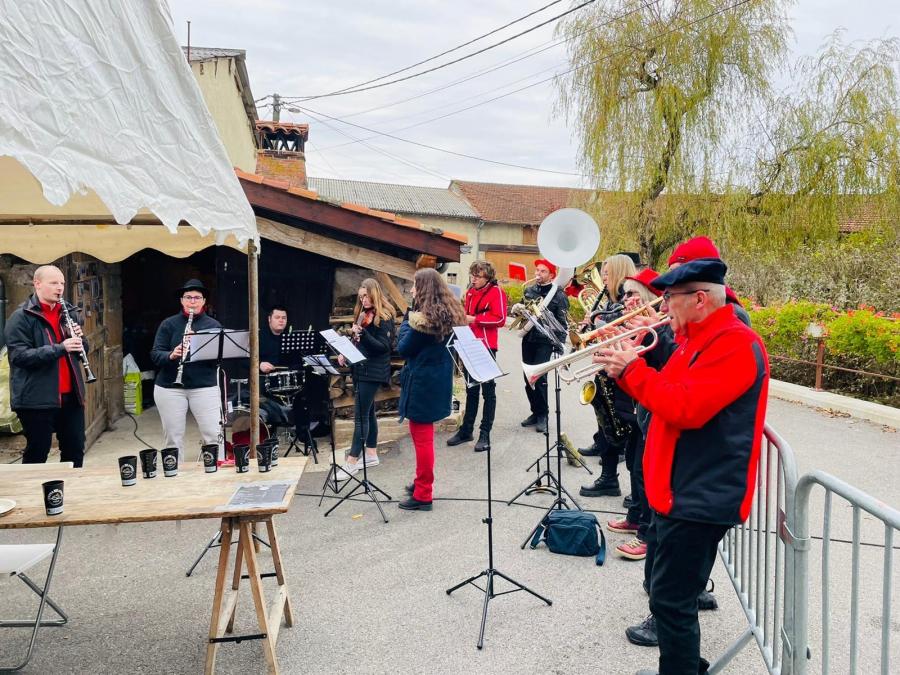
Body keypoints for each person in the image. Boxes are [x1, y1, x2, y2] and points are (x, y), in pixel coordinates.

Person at [594, 258, 769, 675]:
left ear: (700, 299)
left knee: (671, 601)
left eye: (670, 299)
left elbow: (685, 407)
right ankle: (685, 665)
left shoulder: (735, 344)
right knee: (670, 595)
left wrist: (633, 370)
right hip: (681, 491)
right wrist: (623, 367)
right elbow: (663, 392)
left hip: (699, 496)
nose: (663, 308)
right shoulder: (696, 339)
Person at [603, 268, 668, 562]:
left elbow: (654, 364)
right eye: (626, 293)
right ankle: (635, 516)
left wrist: (628, 351)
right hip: (637, 406)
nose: (626, 298)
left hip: (650, 407)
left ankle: (645, 533)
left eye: (631, 293)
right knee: (633, 462)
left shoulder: (660, 327)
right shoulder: (643, 324)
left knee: (643, 469)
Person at [396, 268, 466, 511]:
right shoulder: (449, 315)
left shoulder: (422, 322)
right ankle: (420, 484)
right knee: (424, 437)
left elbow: (403, 348)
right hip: (438, 381)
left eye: (415, 285)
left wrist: (406, 322)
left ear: (423, 288)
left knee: (422, 439)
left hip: (422, 384)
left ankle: (424, 493)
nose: (412, 290)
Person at [5, 265, 88, 467]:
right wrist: (60, 348)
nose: (59, 288)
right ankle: (32, 494)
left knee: (75, 449)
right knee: (38, 452)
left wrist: (80, 340)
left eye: (62, 283)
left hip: (71, 396)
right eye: (53, 283)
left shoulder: (69, 312)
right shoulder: (21, 317)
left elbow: (81, 350)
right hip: (36, 399)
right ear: (38, 284)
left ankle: (68, 491)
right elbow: (19, 356)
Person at [151, 279, 223, 462]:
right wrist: (172, 354)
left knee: (213, 435)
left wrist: (199, 346)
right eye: (188, 297)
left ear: (204, 301)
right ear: (182, 300)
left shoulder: (213, 326)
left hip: (204, 386)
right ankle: (176, 477)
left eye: (197, 297)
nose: (192, 301)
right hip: (169, 387)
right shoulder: (169, 324)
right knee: (173, 439)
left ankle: (215, 474)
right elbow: (155, 354)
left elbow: (219, 359)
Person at [335, 278, 395, 480]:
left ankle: (351, 462)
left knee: (360, 417)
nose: (363, 300)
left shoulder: (384, 317)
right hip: (360, 368)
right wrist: (345, 353)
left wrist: (364, 334)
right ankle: (371, 454)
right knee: (369, 414)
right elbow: (358, 343)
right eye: (361, 297)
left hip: (373, 371)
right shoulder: (362, 315)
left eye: (366, 296)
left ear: (374, 294)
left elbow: (383, 347)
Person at [446, 260, 507, 452]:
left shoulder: (496, 292)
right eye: (472, 275)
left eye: (477, 276)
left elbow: (500, 318)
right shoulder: (471, 291)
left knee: (488, 392)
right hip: (469, 344)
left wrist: (475, 319)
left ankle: (485, 433)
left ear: (488, 277)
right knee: (471, 389)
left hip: (486, 346)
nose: (473, 279)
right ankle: (466, 430)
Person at [519, 258, 568, 434]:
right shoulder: (529, 290)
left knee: (539, 380)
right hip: (529, 338)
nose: (538, 274)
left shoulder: (559, 295)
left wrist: (560, 345)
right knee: (527, 379)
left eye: (543, 271)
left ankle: (543, 415)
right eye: (537, 271)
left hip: (545, 342)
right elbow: (523, 315)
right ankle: (535, 411)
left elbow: (563, 322)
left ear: (552, 275)